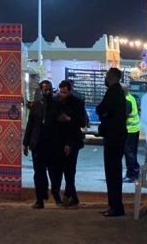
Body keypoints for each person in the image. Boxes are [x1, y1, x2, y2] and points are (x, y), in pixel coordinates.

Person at [23, 80, 62, 208]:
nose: (48, 92)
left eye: (50, 90)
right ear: (41, 90)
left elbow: (62, 126)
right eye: (45, 90)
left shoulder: (57, 105)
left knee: (55, 173)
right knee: (39, 174)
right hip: (38, 145)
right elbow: (30, 124)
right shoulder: (36, 106)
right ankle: (40, 199)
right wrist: (26, 143)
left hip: (53, 145)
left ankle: (56, 196)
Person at [95, 67, 128, 217]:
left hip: (113, 137)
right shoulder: (119, 92)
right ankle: (115, 206)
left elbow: (101, 109)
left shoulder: (113, 92)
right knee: (114, 171)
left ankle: (115, 206)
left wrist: (103, 112)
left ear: (112, 77)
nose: (105, 78)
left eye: (107, 76)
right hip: (118, 136)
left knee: (112, 172)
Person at [55, 79, 87, 208]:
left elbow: (81, 122)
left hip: (73, 140)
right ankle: (73, 196)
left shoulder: (77, 103)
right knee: (63, 168)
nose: (62, 94)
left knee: (70, 169)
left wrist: (69, 119)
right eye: (60, 92)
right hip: (59, 140)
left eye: (64, 92)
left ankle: (68, 195)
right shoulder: (57, 101)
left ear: (69, 91)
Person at [122, 85, 141, 183]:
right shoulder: (131, 97)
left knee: (129, 153)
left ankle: (132, 174)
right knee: (132, 152)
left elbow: (123, 117)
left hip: (129, 130)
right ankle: (135, 171)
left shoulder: (126, 101)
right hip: (135, 129)